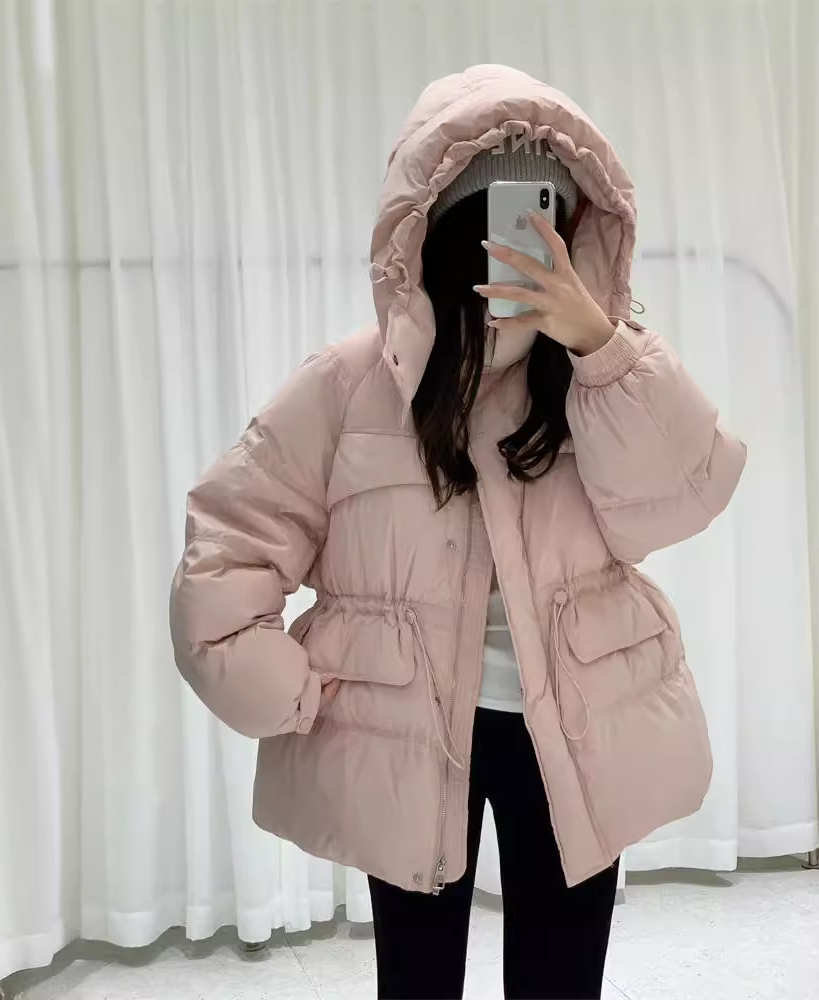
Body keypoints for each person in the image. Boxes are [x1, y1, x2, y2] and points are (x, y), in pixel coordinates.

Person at [170, 64, 746, 1000]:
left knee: (561, 980)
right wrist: (287, 689)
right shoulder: (350, 385)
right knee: (418, 982)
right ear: (435, 230)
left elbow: (688, 494)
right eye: (494, 216)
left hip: (574, 723)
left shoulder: (601, 372)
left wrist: (599, 343)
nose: (524, 239)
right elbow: (229, 542)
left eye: (547, 215)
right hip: (408, 728)